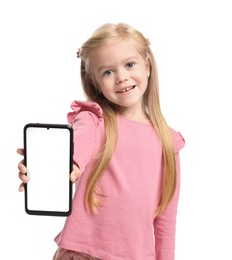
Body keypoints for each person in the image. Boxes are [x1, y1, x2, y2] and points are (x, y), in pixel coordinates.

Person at [17, 22, 185, 260]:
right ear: (95, 82)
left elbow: (166, 217)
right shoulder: (94, 120)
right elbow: (80, 144)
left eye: (129, 64)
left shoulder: (169, 141)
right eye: (108, 72)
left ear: (147, 65)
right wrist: (68, 164)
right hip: (84, 254)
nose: (121, 77)